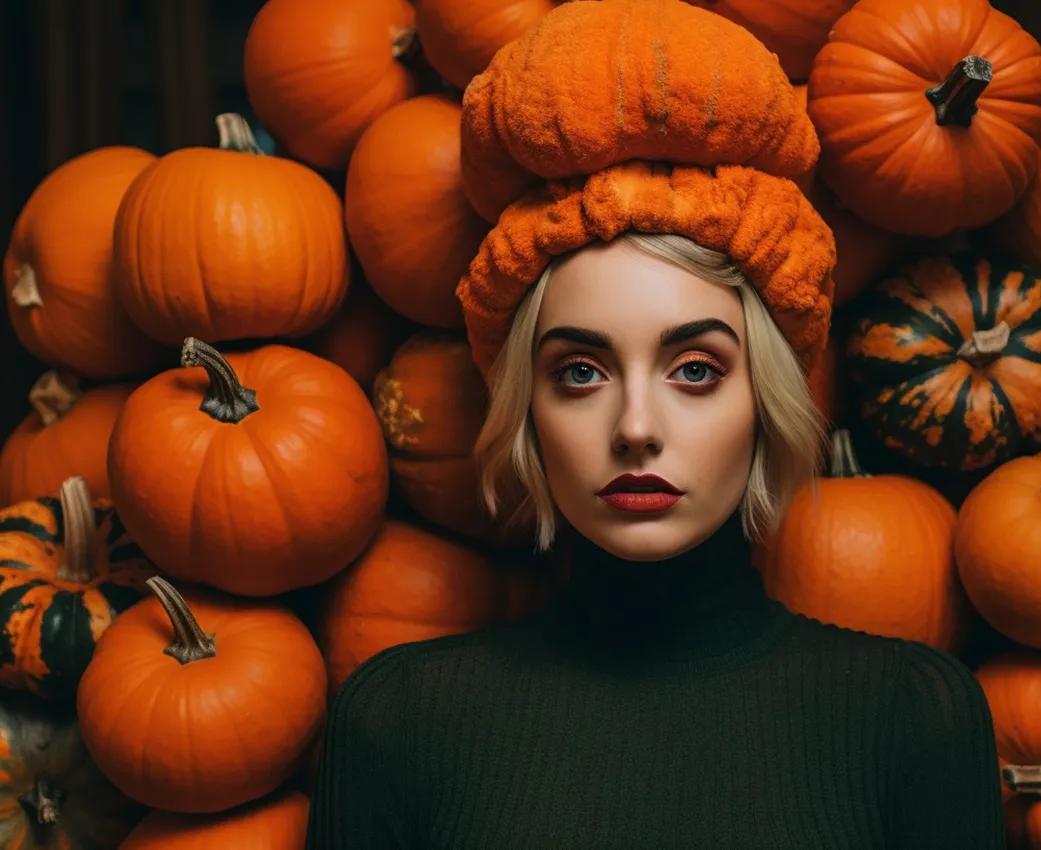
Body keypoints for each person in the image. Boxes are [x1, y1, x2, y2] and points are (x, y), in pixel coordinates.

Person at [305, 1, 1005, 847]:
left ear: (768, 402)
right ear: (524, 406)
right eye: (581, 373)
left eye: (696, 371)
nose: (636, 426)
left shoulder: (915, 720)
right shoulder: (399, 723)